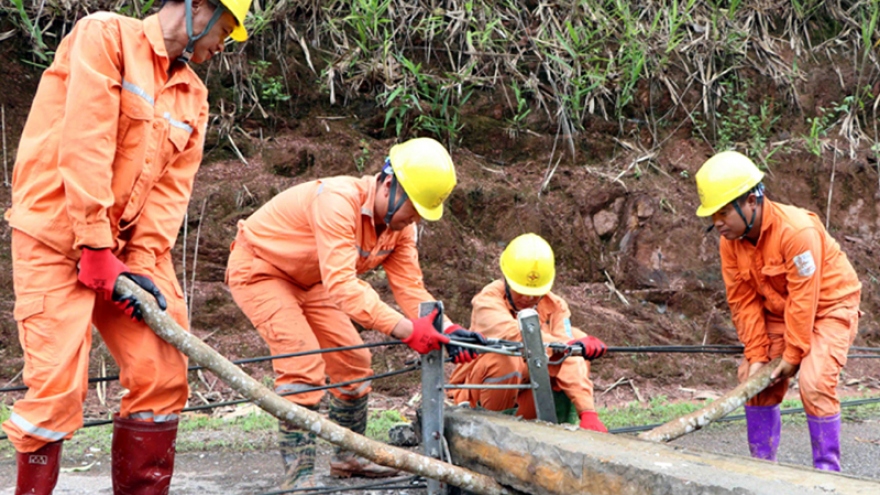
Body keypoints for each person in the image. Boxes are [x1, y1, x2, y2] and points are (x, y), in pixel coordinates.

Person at [2, 0, 251, 492]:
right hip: (56, 238)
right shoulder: (106, 36)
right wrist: (93, 243)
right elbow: (85, 138)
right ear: (198, 7)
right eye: (226, 27)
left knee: (161, 369)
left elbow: (168, 194)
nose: (226, 41)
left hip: (124, 252)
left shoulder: (192, 97)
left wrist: (136, 261)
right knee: (55, 390)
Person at [225, 137, 485, 489]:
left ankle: (347, 459)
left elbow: (410, 288)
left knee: (353, 361)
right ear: (390, 185)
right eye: (415, 208)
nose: (415, 219)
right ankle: (298, 479)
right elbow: (344, 287)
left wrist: (449, 330)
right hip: (260, 269)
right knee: (302, 363)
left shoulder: (400, 229)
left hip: (312, 280)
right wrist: (407, 330)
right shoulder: (337, 202)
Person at [694, 150, 861, 471]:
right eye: (712, 215)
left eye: (724, 212)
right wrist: (757, 355)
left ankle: (827, 475)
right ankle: (763, 470)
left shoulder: (797, 232)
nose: (717, 223)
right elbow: (742, 301)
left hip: (829, 305)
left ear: (752, 201)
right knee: (752, 379)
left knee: (814, 382)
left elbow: (805, 296)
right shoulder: (731, 241)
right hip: (780, 311)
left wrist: (793, 355)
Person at [447, 233, 609, 432]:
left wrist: (587, 412)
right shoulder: (486, 302)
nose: (528, 297)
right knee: (505, 359)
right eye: (521, 290)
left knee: (575, 344)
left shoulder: (555, 306)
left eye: (535, 292)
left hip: (528, 395)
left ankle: (552, 429)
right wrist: (562, 347)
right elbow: (515, 334)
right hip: (476, 399)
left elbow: (569, 353)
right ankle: (492, 431)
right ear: (507, 278)